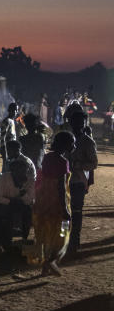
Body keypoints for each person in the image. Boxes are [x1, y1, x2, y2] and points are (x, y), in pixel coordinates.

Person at [32, 131, 75, 276]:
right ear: (65, 144)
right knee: (63, 233)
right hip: (58, 205)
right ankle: (51, 260)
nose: (74, 146)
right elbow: (61, 187)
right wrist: (65, 209)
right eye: (72, 143)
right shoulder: (63, 162)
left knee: (45, 234)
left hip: (43, 203)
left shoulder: (47, 157)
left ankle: (46, 265)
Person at [66, 107, 97, 255]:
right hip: (64, 181)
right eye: (76, 121)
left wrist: (78, 165)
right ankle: (63, 239)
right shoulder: (65, 138)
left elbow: (94, 164)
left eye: (81, 121)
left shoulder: (87, 142)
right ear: (71, 122)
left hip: (78, 181)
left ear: (84, 123)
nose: (79, 124)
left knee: (76, 213)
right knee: (64, 212)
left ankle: (74, 242)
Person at [0, 159, 34, 250]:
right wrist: (11, 202)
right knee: (4, 212)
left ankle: (24, 238)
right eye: (19, 171)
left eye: (24, 171)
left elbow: (29, 201)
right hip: (4, 204)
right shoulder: (4, 178)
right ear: (12, 171)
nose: (22, 173)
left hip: (19, 204)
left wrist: (22, 190)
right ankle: (4, 241)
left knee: (28, 211)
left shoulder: (30, 180)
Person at [0, 103, 18, 168]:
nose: (17, 112)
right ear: (11, 110)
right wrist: (4, 150)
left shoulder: (12, 121)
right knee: (6, 168)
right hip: (8, 150)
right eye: (16, 110)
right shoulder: (7, 121)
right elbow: (2, 137)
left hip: (12, 150)